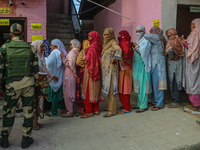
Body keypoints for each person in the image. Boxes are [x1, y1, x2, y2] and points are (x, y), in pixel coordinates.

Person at [0, 23, 39, 148]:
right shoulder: (31, 48)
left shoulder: (4, 48)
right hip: (28, 85)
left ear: (11, 34)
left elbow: (0, 70)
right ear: (22, 34)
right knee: (28, 112)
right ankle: (25, 139)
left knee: (8, 112)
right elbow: (36, 70)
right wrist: (36, 85)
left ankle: (5, 139)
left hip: (11, 86)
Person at [31, 40, 59, 129]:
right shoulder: (33, 58)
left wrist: (52, 76)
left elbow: (45, 70)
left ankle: (36, 121)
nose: (43, 48)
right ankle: (33, 123)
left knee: (39, 102)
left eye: (43, 46)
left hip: (41, 83)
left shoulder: (41, 57)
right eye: (41, 47)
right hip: (34, 84)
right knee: (34, 103)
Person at [144, 26, 167, 111]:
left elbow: (145, 35)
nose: (151, 32)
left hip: (159, 64)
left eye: (152, 31)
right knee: (154, 83)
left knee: (159, 84)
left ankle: (160, 103)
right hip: (155, 63)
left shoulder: (157, 37)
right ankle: (154, 101)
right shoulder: (158, 38)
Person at [81, 31, 103, 118]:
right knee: (96, 90)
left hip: (90, 72)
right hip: (97, 72)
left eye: (90, 37)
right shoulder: (98, 47)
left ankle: (89, 111)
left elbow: (87, 59)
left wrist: (84, 55)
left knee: (88, 91)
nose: (88, 38)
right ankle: (96, 110)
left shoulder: (91, 49)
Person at [101, 28, 122, 117]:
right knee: (109, 90)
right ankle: (110, 107)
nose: (105, 36)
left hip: (111, 71)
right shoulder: (106, 44)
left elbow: (119, 50)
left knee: (112, 91)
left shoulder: (113, 42)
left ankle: (112, 111)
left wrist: (115, 58)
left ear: (111, 35)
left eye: (107, 35)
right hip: (106, 71)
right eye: (104, 34)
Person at [132, 25, 152, 113]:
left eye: (140, 31)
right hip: (137, 67)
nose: (138, 33)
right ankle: (139, 104)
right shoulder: (139, 40)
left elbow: (143, 52)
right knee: (139, 86)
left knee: (143, 87)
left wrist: (136, 46)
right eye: (137, 31)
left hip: (144, 66)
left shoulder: (146, 41)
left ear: (144, 31)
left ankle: (143, 106)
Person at [182, 18, 200, 110]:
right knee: (197, 80)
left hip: (193, 61)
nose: (191, 26)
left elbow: (191, 46)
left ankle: (195, 102)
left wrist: (183, 42)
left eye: (192, 24)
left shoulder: (194, 33)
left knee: (192, 80)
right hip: (198, 59)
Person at [165, 28, 185, 108]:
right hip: (179, 63)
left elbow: (170, 52)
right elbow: (181, 51)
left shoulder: (171, 41)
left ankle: (176, 101)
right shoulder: (179, 40)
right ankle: (177, 99)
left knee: (174, 81)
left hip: (173, 64)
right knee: (178, 80)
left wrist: (172, 57)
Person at [60, 39, 81, 117]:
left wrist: (63, 58)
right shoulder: (77, 52)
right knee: (73, 92)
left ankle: (70, 111)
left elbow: (70, 64)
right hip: (73, 74)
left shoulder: (72, 53)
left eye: (71, 44)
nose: (70, 45)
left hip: (69, 75)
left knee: (68, 92)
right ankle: (74, 109)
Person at [45, 39, 65, 116]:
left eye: (51, 45)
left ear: (56, 46)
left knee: (54, 95)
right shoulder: (61, 53)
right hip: (59, 76)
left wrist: (46, 61)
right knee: (58, 94)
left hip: (53, 77)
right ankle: (60, 109)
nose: (50, 47)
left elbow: (48, 63)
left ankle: (53, 111)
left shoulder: (53, 53)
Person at [117, 30, 133, 114]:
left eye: (119, 34)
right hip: (128, 68)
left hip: (124, 69)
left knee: (124, 89)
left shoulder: (123, 42)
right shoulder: (128, 41)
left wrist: (123, 60)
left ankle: (126, 107)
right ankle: (125, 105)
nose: (118, 35)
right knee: (125, 88)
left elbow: (126, 51)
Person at [76, 40, 90, 115]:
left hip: (82, 74)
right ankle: (89, 108)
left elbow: (77, 63)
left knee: (82, 90)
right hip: (89, 73)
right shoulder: (92, 51)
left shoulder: (82, 52)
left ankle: (83, 108)